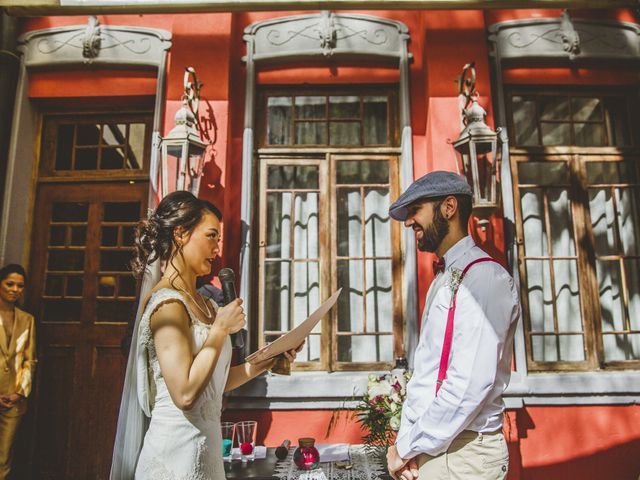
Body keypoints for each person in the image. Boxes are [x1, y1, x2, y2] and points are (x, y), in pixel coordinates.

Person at [110, 191, 302, 479]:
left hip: (208, 455)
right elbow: (185, 394)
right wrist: (220, 330)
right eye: (211, 236)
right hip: (174, 458)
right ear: (180, 234)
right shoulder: (167, 306)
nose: (217, 249)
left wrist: (269, 359)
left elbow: (215, 383)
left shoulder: (206, 304)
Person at [385, 171, 520, 480]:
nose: (408, 222)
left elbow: (468, 385)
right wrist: (408, 445)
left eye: (416, 210)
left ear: (448, 208)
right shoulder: (442, 280)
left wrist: (406, 449)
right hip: (433, 447)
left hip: (466, 455)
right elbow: (427, 375)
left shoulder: (484, 279)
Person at [0, 264, 36, 480]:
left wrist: (18, 393)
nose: (15, 289)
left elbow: (30, 360)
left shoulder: (27, 320)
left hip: (13, 401)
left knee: (4, 458)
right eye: (9, 284)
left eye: (20, 286)